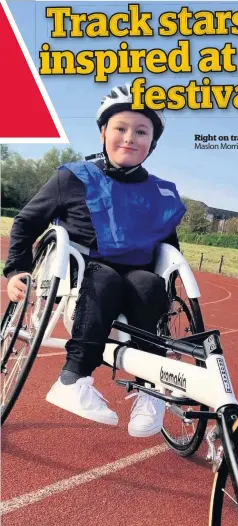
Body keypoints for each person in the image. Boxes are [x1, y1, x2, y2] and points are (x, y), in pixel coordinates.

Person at [4, 85, 187, 436]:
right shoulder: (73, 177)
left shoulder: (162, 192)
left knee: (151, 286)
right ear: (104, 131)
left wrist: (170, 292)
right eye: (120, 128)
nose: (129, 138)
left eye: (141, 132)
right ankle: (72, 379)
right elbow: (27, 221)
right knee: (104, 277)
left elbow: (169, 249)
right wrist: (16, 270)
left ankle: (151, 389)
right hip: (84, 274)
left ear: (152, 143)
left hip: (137, 275)